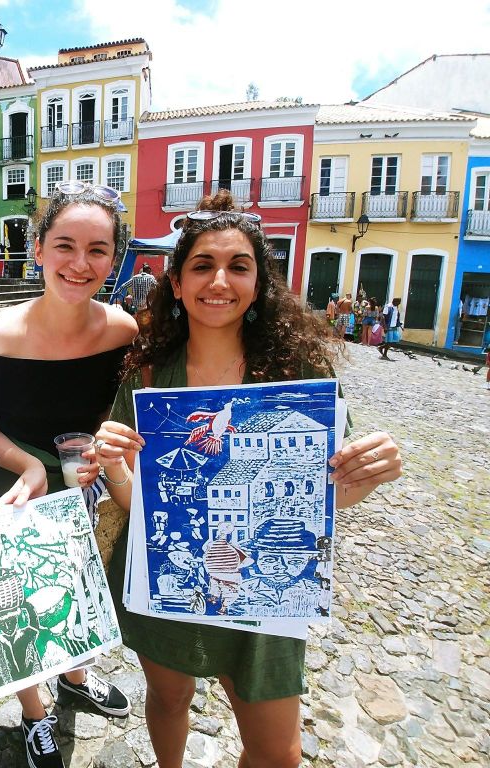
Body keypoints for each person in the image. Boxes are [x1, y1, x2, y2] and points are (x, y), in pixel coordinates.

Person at [92, 190, 402, 768]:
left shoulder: (297, 374)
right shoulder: (151, 373)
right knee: (170, 695)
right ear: (178, 284)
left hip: (270, 584)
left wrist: (371, 471)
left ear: (259, 284)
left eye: (239, 266)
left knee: (277, 751)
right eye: (202, 265)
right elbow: (141, 500)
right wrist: (110, 459)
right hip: (171, 574)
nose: (219, 280)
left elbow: (326, 495)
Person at [0, 180, 136, 768]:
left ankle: (76, 679)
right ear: (37, 249)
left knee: (79, 586)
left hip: (79, 475)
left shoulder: (122, 331)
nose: (79, 264)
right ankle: (36, 715)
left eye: (97, 250)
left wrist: (102, 456)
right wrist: (31, 464)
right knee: (15, 599)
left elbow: (121, 409)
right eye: (64, 245)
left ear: (115, 259)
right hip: (10, 476)